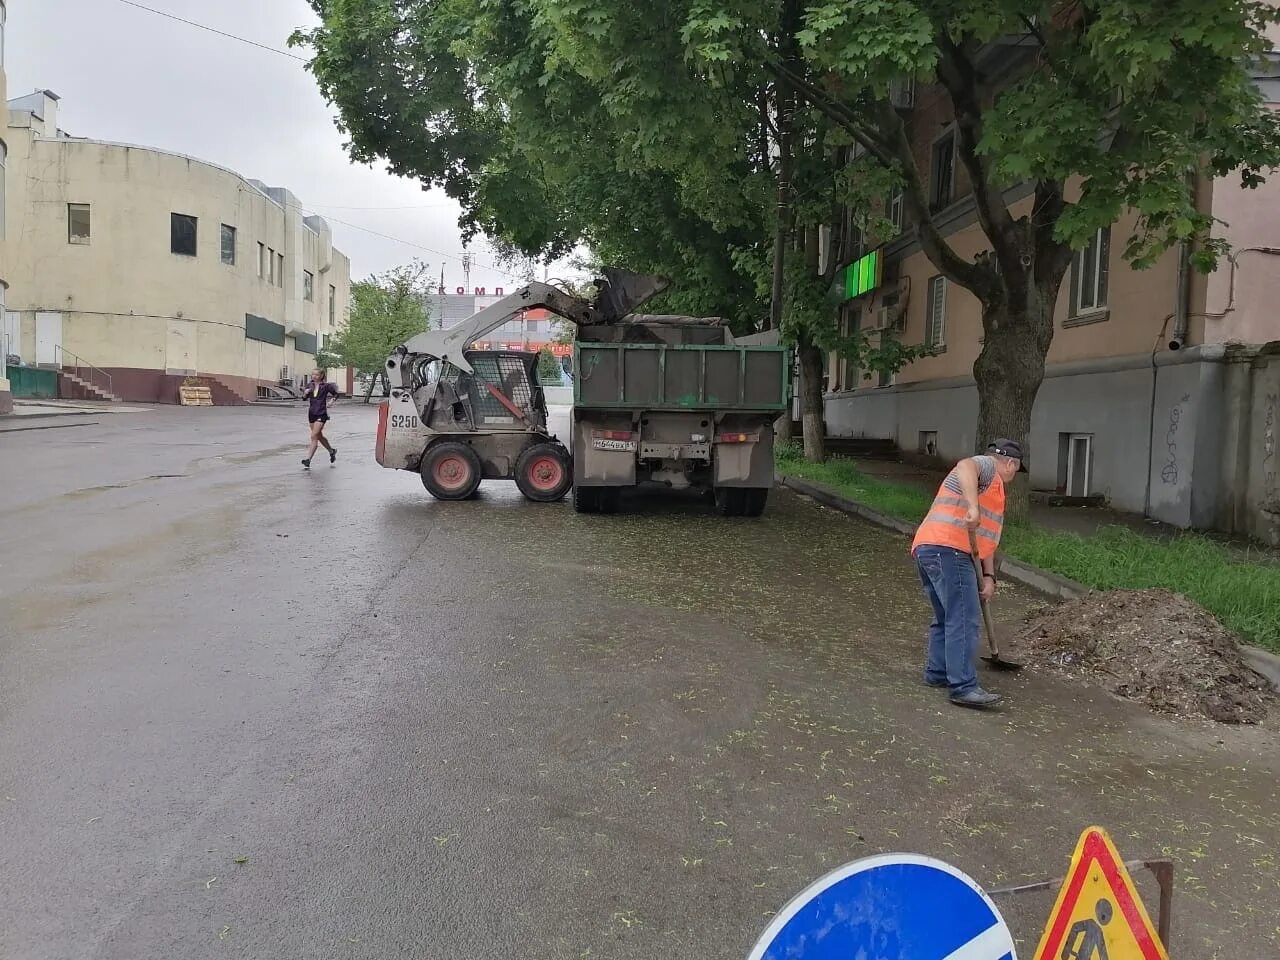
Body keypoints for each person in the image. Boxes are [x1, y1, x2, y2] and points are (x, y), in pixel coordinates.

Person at [910, 439, 1026, 709]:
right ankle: (963, 687)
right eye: (1016, 470)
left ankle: (937, 672)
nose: (1013, 477)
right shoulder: (987, 468)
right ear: (1010, 463)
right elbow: (965, 465)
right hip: (949, 548)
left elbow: (985, 543)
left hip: (930, 547)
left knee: (946, 616)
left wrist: (989, 577)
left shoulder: (993, 492)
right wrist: (972, 507)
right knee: (963, 618)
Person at [302, 368, 338, 470]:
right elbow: (304, 398)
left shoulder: (326, 386)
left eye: (316, 375)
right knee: (319, 436)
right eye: (313, 374)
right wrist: (305, 393)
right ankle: (331, 451)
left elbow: (336, 394)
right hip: (312, 413)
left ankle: (308, 460)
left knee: (314, 435)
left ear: (321, 375)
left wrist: (332, 401)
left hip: (321, 413)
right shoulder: (310, 385)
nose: (314, 376)